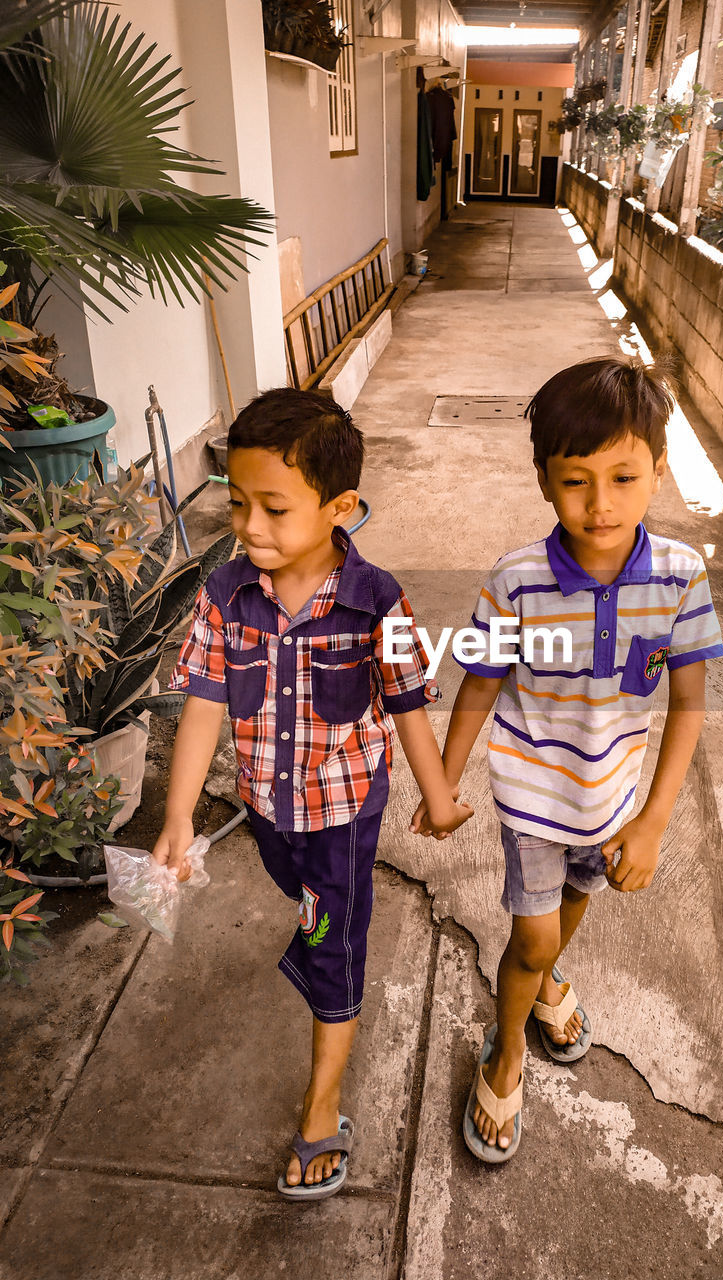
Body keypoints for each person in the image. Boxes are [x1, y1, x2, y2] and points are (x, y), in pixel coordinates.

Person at [152, 389, 472, 1200]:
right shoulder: (226, 596)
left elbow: (405, 702)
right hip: (269, 815)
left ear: (341, 509)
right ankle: (324, 923)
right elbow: (201, 704)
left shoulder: (376, 602)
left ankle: (322, 1109)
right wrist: (180, 816)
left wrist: (437, 797)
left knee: (333, 939)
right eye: (238, 505)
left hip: (343, 820)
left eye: (274, 508)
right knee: (306, 899)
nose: (250, 527)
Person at [411, 356, 723, 1162]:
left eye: (623, 477)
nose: (601, 503)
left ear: (659, 471)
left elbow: (687, 703)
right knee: (531, 939)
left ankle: (548, 981)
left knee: (573, 911)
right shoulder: (515, 582)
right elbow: (479, 683)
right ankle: (508, 1048)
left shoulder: (682, 579)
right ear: (544, 481)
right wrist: (443, 780)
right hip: (532, 798)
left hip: (612, 800)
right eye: (577, 480)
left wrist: (652, 821)